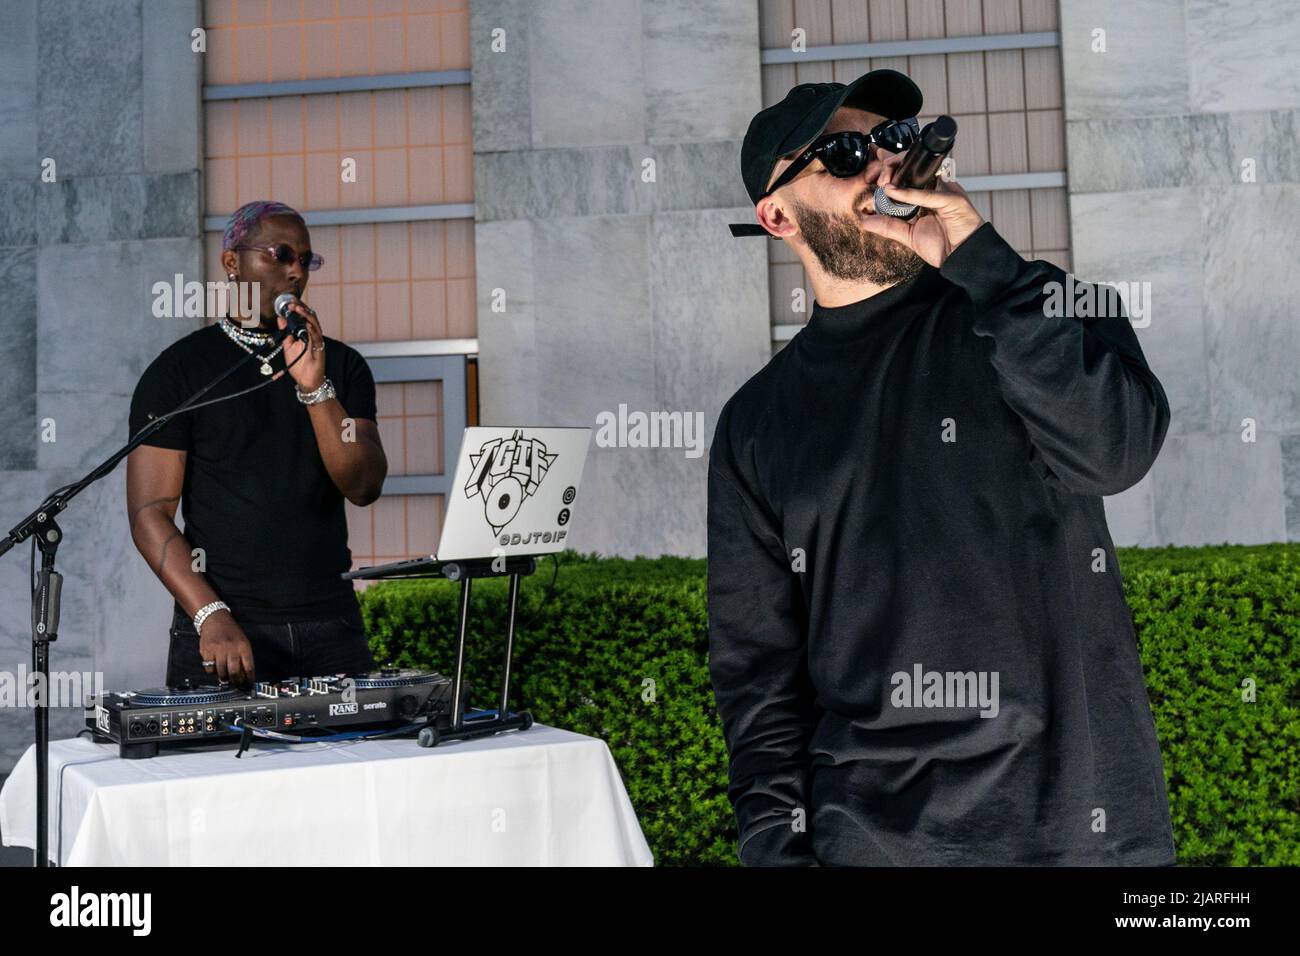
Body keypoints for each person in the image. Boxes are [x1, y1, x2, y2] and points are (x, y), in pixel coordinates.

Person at [708, 71, 1177, 866]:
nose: (880, 167)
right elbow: (758, 681)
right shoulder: (756, 424)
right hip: (874, 842)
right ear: (776, 213)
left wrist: (984, 266)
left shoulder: (1037, 308)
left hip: (1076, 833)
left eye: (892, 140)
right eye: (844, 152)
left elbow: (1115, 451)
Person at [127, 200, 388, 687]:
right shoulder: (180, 371)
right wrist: (210, 615)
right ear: (233, 263)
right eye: (279, 255)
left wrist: (315, 388)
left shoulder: (343, 366)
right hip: (226, 633)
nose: (295, 272)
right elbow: (150, 513)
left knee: (346, 763)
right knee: (217, 763)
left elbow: (364, 484)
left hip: (331, 626)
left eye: (304, 260)